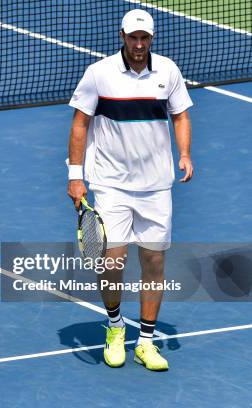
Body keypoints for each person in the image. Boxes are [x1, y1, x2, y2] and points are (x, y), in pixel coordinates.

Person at [67, 9, 193, 371]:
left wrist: (184, 154)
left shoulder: (168, 71)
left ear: (152, 38)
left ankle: (147, 342)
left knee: (153, 262)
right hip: (110, 184)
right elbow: (80, 123)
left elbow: (181, 114)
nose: (139, 45)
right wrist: (76, 175)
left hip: (156, 186)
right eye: (133, 37)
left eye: (145, 38)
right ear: (122, 35)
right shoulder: (99, 74)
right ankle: (115, 327)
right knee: (112, 262)